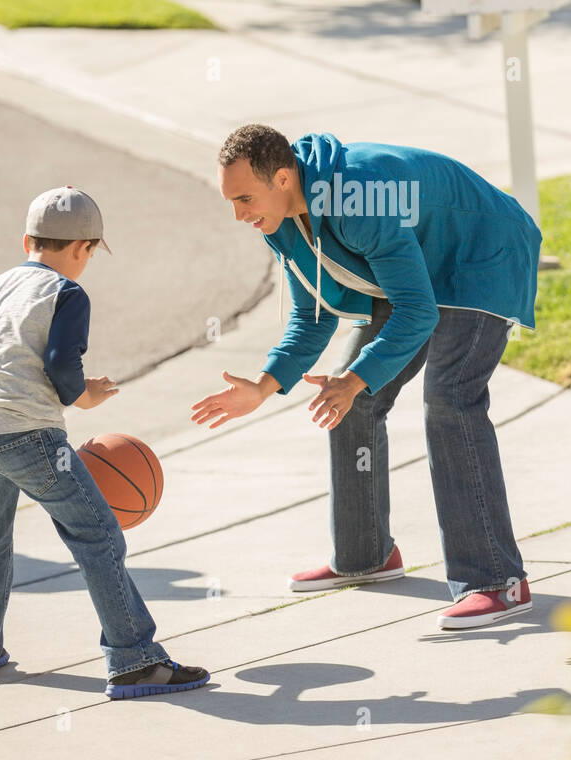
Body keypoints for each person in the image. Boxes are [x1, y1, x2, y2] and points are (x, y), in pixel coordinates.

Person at [191, 125, 542, 630]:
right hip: (415, 267)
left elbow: (418, 311)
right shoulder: (282, 221)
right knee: (348, 397)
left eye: (244, 198)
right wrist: (265, 386)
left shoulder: (357, 198)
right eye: (231, 201)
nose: (239, 214)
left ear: (284, 177)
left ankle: (496, 582)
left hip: (480, 254)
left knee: (449, 399)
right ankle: (365, 556)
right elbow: (314, 315)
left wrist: (359, 378)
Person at [0, 186, 209, 698]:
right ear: (85, 248)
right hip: (30, 434)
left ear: (28, 240)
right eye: (90, 252)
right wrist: (81, 397)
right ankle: (134, 661)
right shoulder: (66, 293)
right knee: (97, 534)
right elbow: (62, 364)